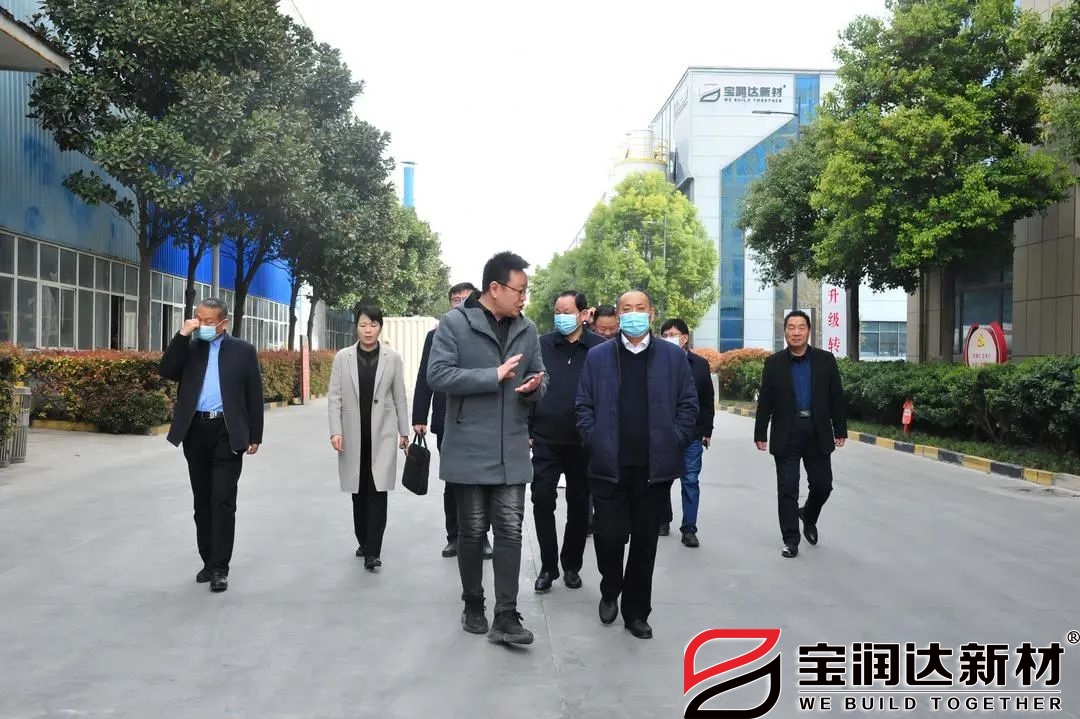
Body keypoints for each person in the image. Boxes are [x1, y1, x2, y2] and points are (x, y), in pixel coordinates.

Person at [428, 251, 548, 645]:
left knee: (511, 531)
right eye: (519, 290)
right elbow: (437, 374)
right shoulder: (454, 323)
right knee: (474, 530)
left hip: (511, 445)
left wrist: (534, 387)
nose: (524, 297)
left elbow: (539, 373)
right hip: (468, 445)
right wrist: (492, 376)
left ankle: (506, 615)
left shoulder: (527, 329)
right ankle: (473, 603)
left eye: (526, 291)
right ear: (494, 288)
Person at [575, 289, 697, 639]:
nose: (633, 314)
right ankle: (610, 587)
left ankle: (636, 611)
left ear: (651, 313)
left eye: (639, 308)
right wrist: (594, 438)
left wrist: (674, 437)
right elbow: (583, 405)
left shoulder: (672, 358)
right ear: (618, 315)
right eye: (626, 309)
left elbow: (688, 404)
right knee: (609, 538)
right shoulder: (598, 356)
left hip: (653, 469)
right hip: (608, 465)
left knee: (645, 544)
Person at [160, 298, 264, 594]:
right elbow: (167, 370)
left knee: (222, 500)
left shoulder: (243, 351)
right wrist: (182, 334)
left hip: (227, 432)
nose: (201, 325)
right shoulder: (190, 348)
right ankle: (207, 560)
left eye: (207, 321)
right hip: (195, 430)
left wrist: (255, 434)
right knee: (202, 500)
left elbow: (254, 394)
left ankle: (220, 568)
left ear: (222, 323)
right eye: (198, 318)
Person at [754, 310, 847, 558]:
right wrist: (760, 432)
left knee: (823, 485)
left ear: (809, 331)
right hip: (787, 432)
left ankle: (808, 514)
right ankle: (790, 539)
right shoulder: (774, 363)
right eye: (791, 327)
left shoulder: (825, 360)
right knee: (787, 488)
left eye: (801, 327)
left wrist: (840, 429)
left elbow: (836, 397)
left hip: (817, 431)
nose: (796, 332)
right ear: (785, 332)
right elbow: (766, 400)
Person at [529, 290, 604, 592]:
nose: (561, 317)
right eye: (557, 311)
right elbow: (529, 386)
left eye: (567, 311)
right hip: (545, 437)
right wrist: (527, 428)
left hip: (583, 441)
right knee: (541, 498)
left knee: (579, 505)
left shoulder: (599, 349)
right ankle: (548, 566)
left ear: (583, 314)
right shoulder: (541, 345)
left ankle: (572, 564)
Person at [412, 282, 493, 560]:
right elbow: (425, 376)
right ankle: (455, 537)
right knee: (453, 481)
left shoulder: (487, 332)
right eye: (455, 299)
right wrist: (419, 416)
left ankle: (482, 537)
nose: (460, 303)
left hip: (480, 419)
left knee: (482, 480)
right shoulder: (436, 335)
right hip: (446, 419)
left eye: (466, 299)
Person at [328, 305, 410, 571]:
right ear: (356, 327)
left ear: (380, 327)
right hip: (352, 434)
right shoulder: (343, 357)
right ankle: (364, 540)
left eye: (373, 325)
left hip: (383, 434)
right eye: (363, 325)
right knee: (358, 492)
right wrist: (335, 430)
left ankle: (373, 551)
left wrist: (404, 431)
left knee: (378, 491)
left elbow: (399, 396)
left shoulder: (392, 358)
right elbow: (335, 397)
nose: (368, 330)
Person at [658, 319, 715, 547]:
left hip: (692, 434)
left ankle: (689, 529)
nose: (668, 338)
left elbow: (707, 400)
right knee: (662, 480)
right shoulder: (656, 362)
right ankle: (663, 519)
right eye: (665, 335)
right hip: (663, 433)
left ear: (684, 338)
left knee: (690, 481)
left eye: (673, 334)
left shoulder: (700, 365)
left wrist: (707, 430)